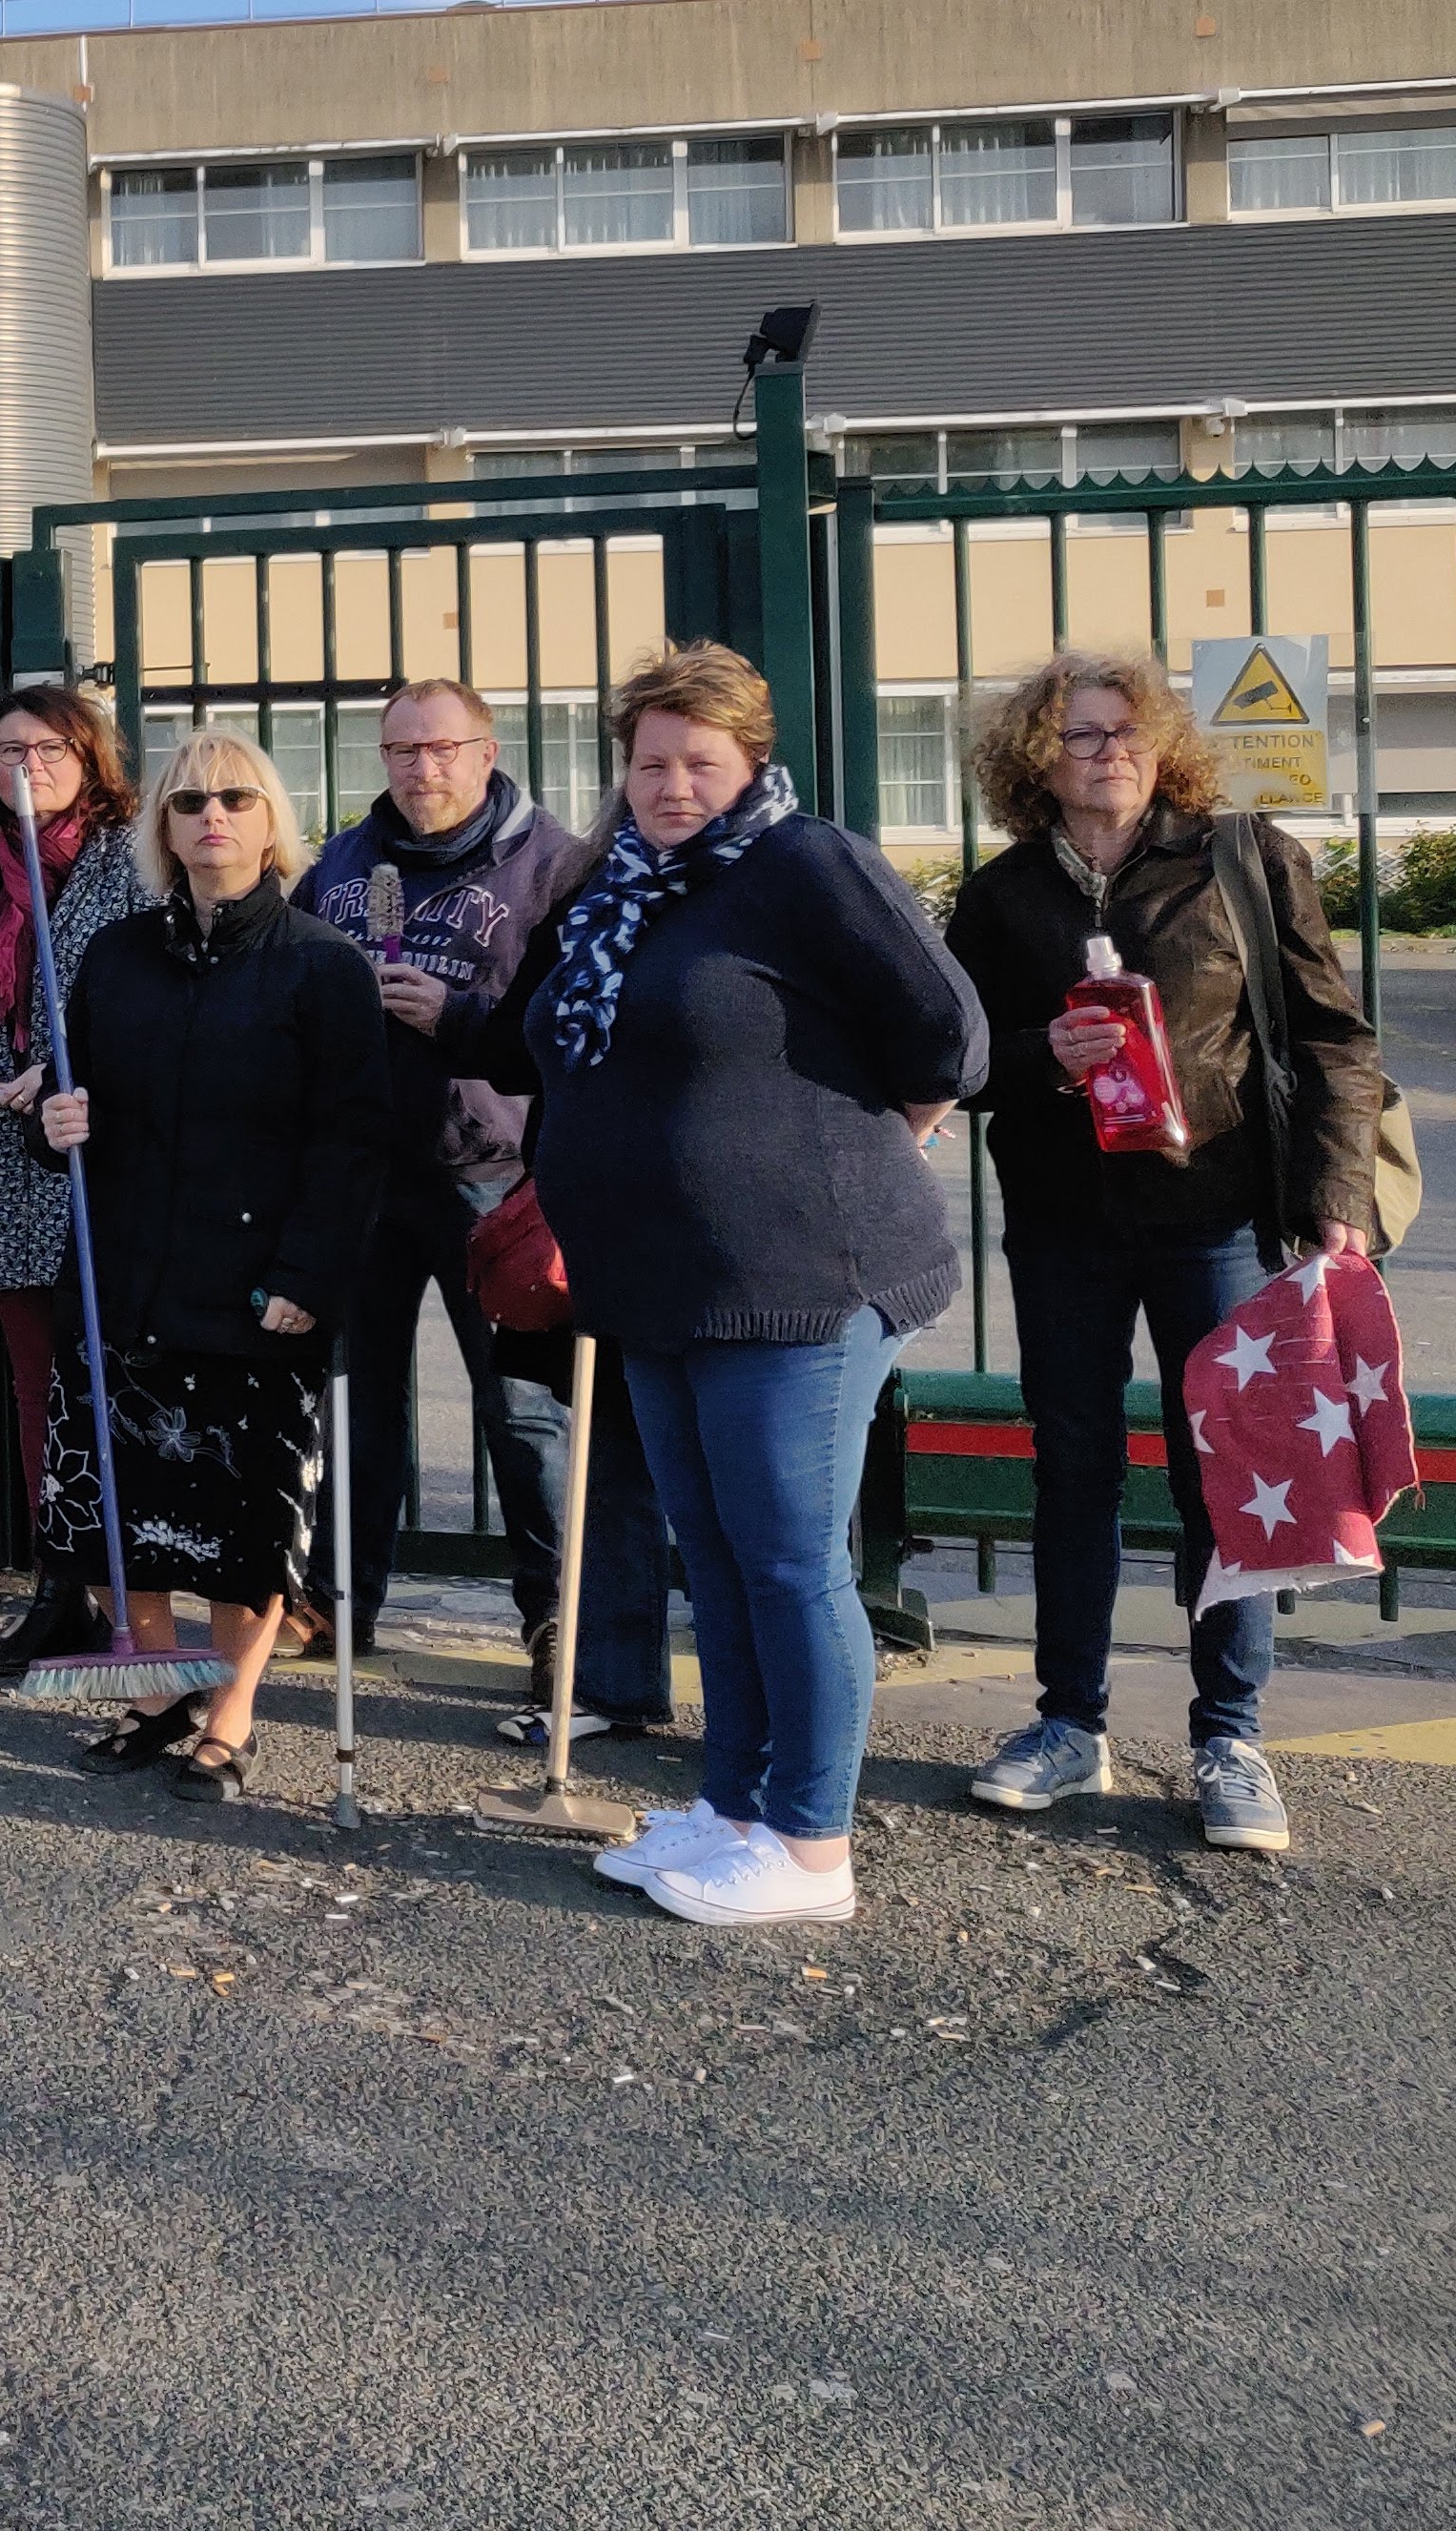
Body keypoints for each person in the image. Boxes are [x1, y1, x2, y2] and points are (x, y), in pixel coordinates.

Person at [471, 642, 986, 1926]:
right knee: (717, 1551)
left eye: (700, 761)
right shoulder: (615, 886)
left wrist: (867, 1143)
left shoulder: (804, 864)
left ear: (750, 759)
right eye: (649, 761)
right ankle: (740, 1803)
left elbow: (951, 1038)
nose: (671, 784)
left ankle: (812, 1848)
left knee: (789, 1561)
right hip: (654, 1287)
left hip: (799, 1280)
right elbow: (541, 1045)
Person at [945, 648, 1381, 1858]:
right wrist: (1045, 1057)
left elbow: (1336, 1037)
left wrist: (1336, 1191)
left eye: (1129, 732)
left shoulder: (1241, 857)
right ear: (1038, 755)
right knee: (1074, 1469)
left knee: (1227, 1474)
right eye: (1082, 736)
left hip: (1217, 1211)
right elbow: (961, 1054)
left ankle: (1229, 1736)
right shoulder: (1002, 894)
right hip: (1064, 1220)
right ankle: (1066, 1723)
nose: (1110, 754)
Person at [32, 728, 389, 1792]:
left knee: (244, 1525)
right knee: (122, 1515)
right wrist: (49, 1121)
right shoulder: (113, 956)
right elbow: (61, 1102)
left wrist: (308, 1279)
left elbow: (353, 1144)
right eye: (189, 804)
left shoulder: (322, 965)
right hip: (122, 1279)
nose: (212, 819)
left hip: (253, 1293)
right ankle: (155, 1691)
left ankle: (229, 1714)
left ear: (272, 821)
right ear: (163, 829)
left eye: (235, 799)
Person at [300, 677, 586, 1674]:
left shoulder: (552, 865)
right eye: (402, 750)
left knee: (523, 1412)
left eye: (443, 748)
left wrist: (456, 1018)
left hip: (496, 1176)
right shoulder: (344, 863)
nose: (423, 768)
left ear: (487, 749)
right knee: (357, 1402)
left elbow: (572, 1024)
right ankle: (340, 1602)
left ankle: (556, 1615)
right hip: (366, 1171)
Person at [0, 684, 153, 1679]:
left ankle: (142, 1588)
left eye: (49, 746)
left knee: (122, 1381)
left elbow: (153, 994)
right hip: (10, 1157)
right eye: (7, 748)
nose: (26, 763)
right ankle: (60, 1586)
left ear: (89, 756)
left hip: (107, 1150)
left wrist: (81, 1067)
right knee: (36, 1384)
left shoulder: (134, 859)